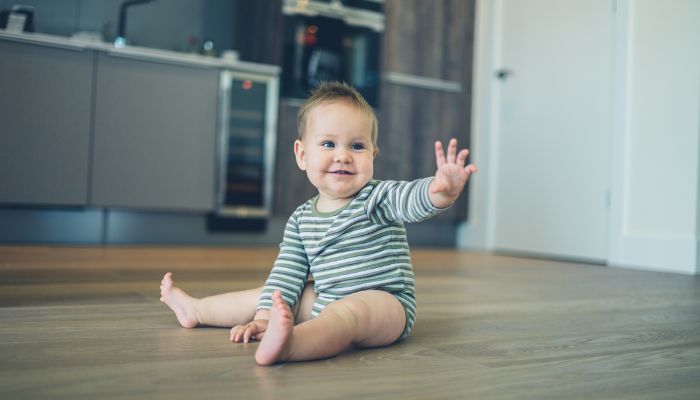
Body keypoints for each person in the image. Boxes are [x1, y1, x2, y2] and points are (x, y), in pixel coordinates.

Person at [160, 81, 477, 365]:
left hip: (385, 303)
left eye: (357, 146)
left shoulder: (377, 197)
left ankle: (292, 345)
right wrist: (265, 317)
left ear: (373, 155)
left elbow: (410, 199)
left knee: (349, 313)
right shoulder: (300, 220)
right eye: (328, 144)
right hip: (328, 296)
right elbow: (287, 274)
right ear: (302, 155)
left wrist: (439, 193)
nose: (343, 156)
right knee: (271, 294)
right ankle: (197, 310)